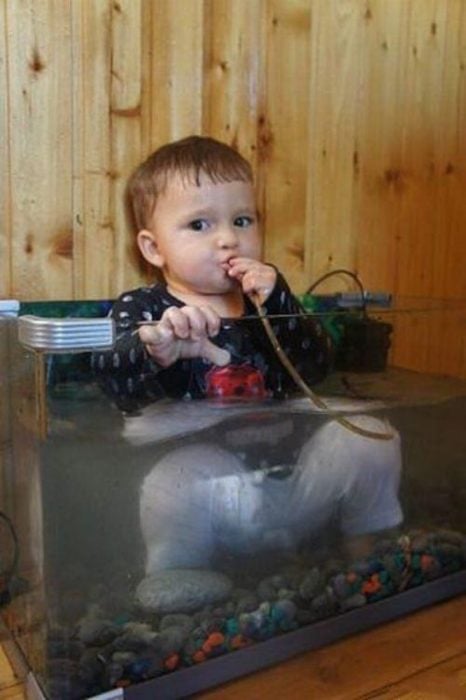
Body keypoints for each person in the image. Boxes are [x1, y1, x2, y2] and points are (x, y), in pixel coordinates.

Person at [93, 136, 402, 611]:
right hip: (218, 494)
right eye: (199, 224)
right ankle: (179, 572)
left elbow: (315, 368)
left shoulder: (266, 300)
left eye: (242, 220)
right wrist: (153, 348)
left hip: (295, 477)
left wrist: (278, 300)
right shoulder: (146, 308)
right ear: (154, 248)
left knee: (371, 435)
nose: (228, 238)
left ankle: (366, 542)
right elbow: (114, 383)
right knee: (170, 482)